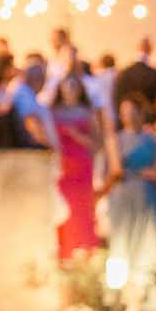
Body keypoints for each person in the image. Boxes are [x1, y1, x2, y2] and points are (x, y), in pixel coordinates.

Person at [107, 97, 156, 311]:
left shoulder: (152, 139)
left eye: (132, 110)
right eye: (123, 111)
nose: (128, 115)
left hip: (148, 197)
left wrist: (139, 172)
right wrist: (138, 173)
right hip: (125, 198)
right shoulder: (116, 139)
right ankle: (125, 302)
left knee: (152, 245)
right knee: (124, 246)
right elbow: (117, 170)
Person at [50, 73, 108, 259]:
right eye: (67, 86)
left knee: (81, 208)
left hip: (82, 166)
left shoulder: (87, 113)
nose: (70, 90)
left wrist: (77, 136)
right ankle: (64, 249)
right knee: (62, 207)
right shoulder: (53, 112)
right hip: (62, 167)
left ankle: (84, 247)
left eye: (74, 86)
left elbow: (98, 144)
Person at [113, 37, 156, 120]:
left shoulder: (125, 73)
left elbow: (117, 98)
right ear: (150, 50)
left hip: (128, 119)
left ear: (137, 48)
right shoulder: (155, 74)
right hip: (149, 120)